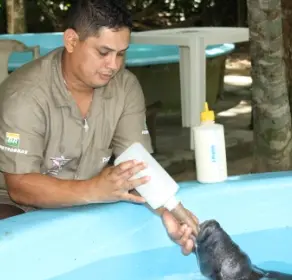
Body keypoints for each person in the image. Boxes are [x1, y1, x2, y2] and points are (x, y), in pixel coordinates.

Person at [0, 0, 198, 255]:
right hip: (12, 204)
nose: (113, 65)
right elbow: (19, 186)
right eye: (103, 53)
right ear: (71, 41)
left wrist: (168, 209)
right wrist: (96, 189)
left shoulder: (125, 88)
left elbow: (136, 167)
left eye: (121, 53)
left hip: (89, 198)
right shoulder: (25, 94)